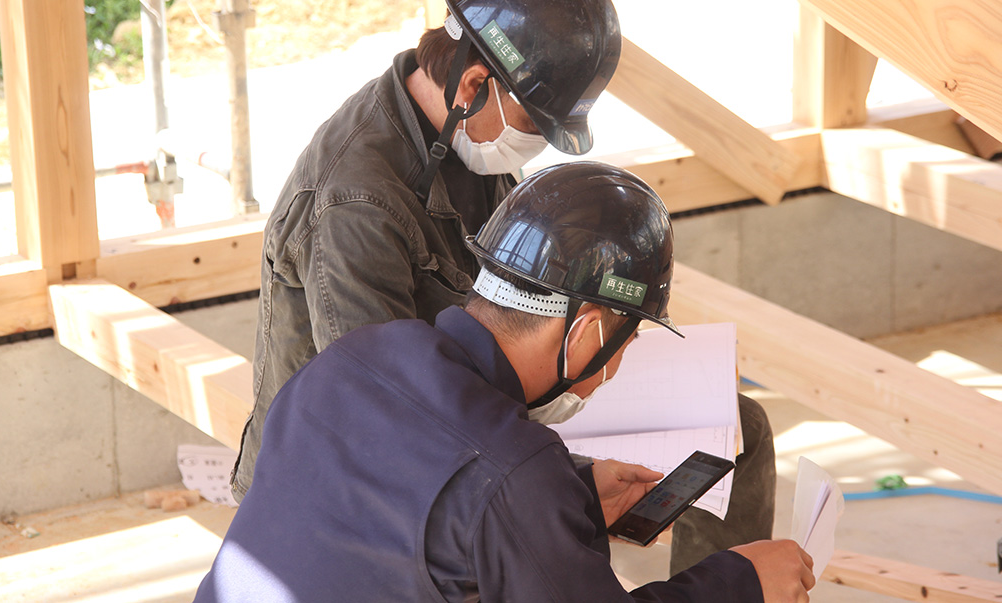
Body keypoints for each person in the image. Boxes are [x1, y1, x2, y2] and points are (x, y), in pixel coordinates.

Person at [231, 0, 775, 573]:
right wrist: (560, 478)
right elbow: (385, 419)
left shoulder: (468, 136)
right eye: (536, 123)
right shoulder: (356, 200)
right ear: (472, 84)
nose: (538, 144)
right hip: (373, 476)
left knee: (736, 428)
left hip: (477, 403)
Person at [196, 162, 814, 602]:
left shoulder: (353, 360)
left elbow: (409, 498)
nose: (616, 369)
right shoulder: (515, 471)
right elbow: (489, 488)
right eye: (627, 342)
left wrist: (568, 498)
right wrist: (739, 583)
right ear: (587, 333)